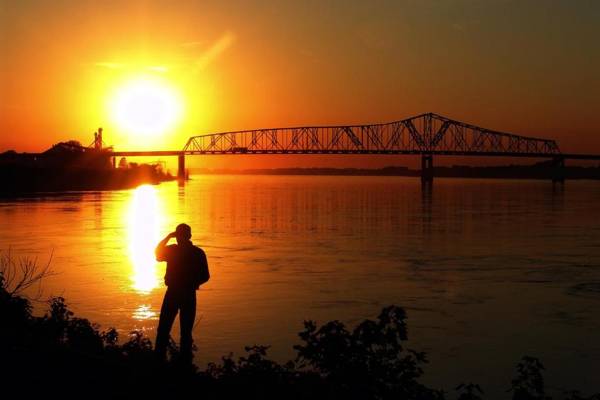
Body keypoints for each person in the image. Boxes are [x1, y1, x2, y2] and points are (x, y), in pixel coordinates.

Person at [154, 223, 210, 363]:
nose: (178, 238)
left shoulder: (176, 251)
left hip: (176, 293)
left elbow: (157, 252)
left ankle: (160, 362)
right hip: (186, 294)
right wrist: (193, 283)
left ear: (182, 236)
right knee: (183, 333)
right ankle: (183, 364)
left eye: (178, 236)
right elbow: (205, 276)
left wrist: (168, 236)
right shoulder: (196, 252)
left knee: (165, 330)